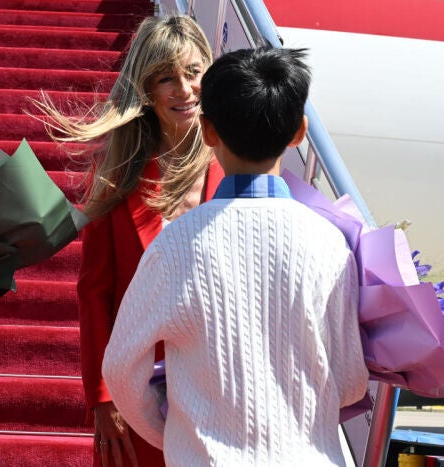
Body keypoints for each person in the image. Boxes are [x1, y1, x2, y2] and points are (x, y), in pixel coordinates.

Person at [102, 47, 368, 465]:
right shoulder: (330, 242)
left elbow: (119, 367)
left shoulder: (174, 245)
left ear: (208, 132)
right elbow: (351, 380)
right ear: (299, 132)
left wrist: (170, 432)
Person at [40, 15, 223, 467]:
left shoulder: (239, 171)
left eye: (193, 73)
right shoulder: (120, 180)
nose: (183, 89)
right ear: (146, 91)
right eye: (166, 78)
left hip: (224, 397)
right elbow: (95, 295)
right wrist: (102, 398)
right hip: (139, 401)